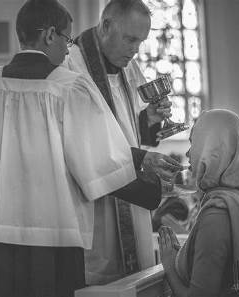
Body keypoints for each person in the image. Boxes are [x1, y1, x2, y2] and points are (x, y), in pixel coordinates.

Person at [0, 0, 181, 296]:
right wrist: (153, 189)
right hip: (56, 233)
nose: (135, 49)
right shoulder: (69, 83)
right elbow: (97, 160)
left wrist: (147, 127)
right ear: (50, 35)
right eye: (65, 38)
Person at [64, 0, 176, 284]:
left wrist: (150, 119)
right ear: (105, 25)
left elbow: (130, 129)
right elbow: (82, 141)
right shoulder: (72, 65)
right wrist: (142, 158)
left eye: (140, 42)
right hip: (97, 199)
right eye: (130, 39)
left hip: (131, 193)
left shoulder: (128, 66)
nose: (135, 50)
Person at [159, 109, 239, 297]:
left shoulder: (217, 213)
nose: (189, 153)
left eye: (193, 143)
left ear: (213, 149)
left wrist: (170, 264)